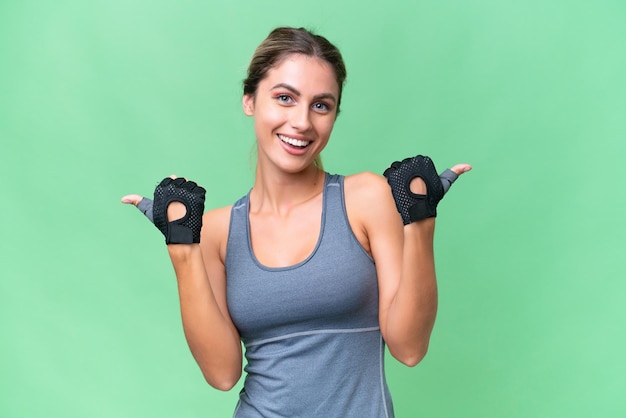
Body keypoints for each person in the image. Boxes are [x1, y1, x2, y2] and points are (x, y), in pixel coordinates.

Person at [121, 27, 471, 417]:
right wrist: (183, 250)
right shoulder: (218, 231)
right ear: (249, 100)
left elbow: (410, 348)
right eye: (285, 98)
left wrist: (419, 221)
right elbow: (221, 374)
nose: (302, 122)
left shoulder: (365, 198)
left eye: (321, 105)